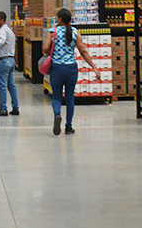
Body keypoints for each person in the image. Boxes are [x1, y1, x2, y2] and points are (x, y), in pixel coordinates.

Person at [42, 8, 99, 136]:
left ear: (60, 19)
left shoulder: (52, 32)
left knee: (56, 96)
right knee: (69, 98)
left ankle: (57, 114)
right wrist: (94, 67)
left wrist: (51, 45)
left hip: (56, 68)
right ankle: (69, 127)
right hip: (71, 68)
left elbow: (45, 49)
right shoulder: (75, 32)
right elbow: (83, 51)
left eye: (57, 17)